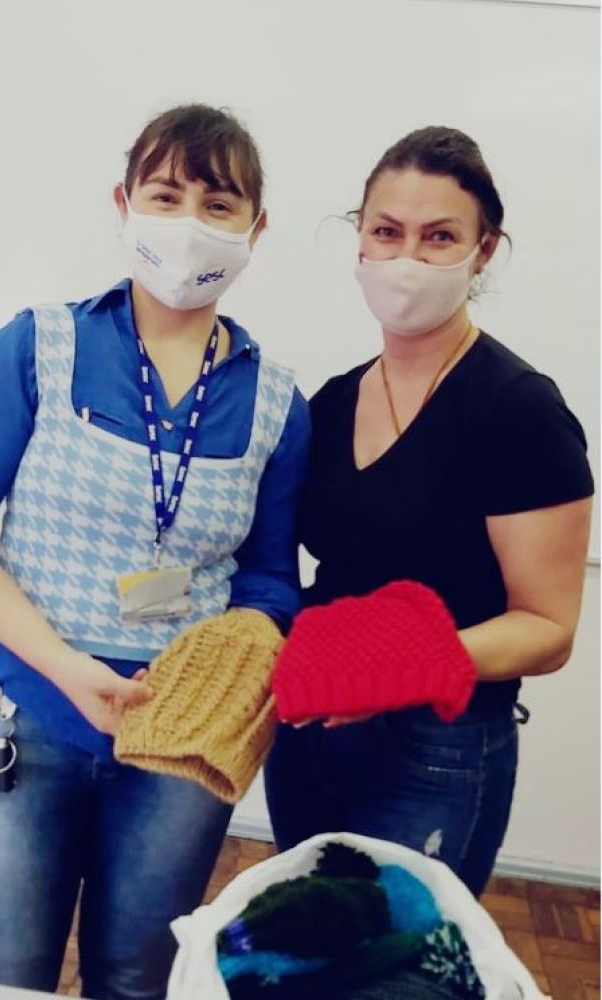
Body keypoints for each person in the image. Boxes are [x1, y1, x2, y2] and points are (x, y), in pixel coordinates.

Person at [0, 103, 309, 999]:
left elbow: (267, 579)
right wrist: (65, 669)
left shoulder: (278, 404)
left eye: (218, 205)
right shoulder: (38, 346)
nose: (189, 223)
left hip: (179, 750)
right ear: (123, 203)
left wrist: (237, 661)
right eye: (165, 196)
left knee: (138, 980)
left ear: (255, 229)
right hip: (21, 717)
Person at [265, 126, 594, 898]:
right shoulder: (333, 401)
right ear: (360, 240)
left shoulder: (518, 410)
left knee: (398, 958)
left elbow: (548, 630)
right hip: (312, 734)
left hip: (437, 751)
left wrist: (395, 670)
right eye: (386, 232)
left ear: (483, 251)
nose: (406, 258)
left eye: (438, 236)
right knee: (307, 942)